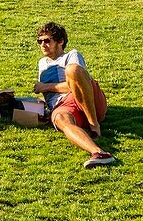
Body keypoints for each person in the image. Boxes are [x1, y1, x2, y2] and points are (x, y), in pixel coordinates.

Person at [33, 22, 116, 168]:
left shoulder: (72, 55)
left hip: (85, 98)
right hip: (62, 105)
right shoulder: (42, 63)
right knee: (60, 118)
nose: (42, 45)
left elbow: (76, 84)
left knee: (72, 70)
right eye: (40, 41)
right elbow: (50, 94)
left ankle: (94, 125)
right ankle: (98, 152)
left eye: (47, 41)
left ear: (60, 41)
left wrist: (44, 86)